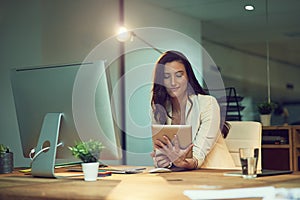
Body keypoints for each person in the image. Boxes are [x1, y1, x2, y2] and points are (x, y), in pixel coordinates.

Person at [151, 50, 236, 170]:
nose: (173, 82)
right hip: (182, 176)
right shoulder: (160, 109)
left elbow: (197, 157)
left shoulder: (207, 104)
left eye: (179, 75)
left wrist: (179, 161)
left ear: (188, 77)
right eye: (166, 76)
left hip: (216, 173)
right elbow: (162, 156)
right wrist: (162, 161)